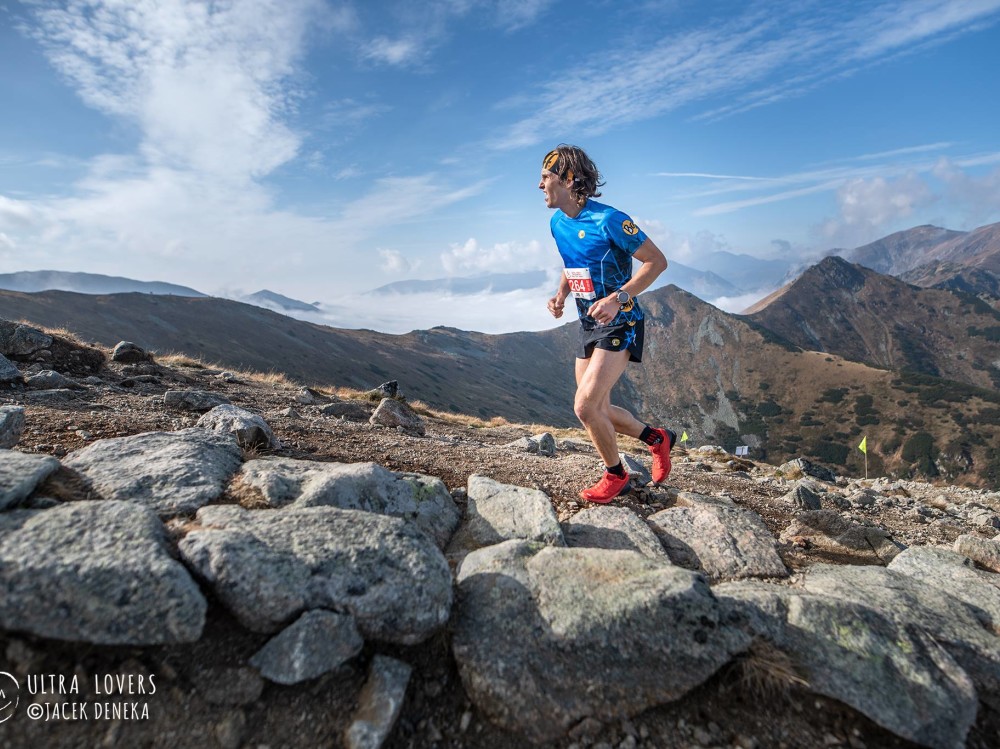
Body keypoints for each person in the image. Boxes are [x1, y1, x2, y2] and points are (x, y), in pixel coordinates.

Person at [540, 144, 676, 503]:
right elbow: (573, 265)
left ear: (568, 179)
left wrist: (619, 299)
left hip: (622, 322)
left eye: (545, 177)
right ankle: (657, 439)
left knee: (584, 407)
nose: (540, 186)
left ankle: (617, 476)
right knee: (597, 409)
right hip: (588, 322)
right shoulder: (557, 223)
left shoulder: (610, 220)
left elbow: (656, 262)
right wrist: (560, 296)